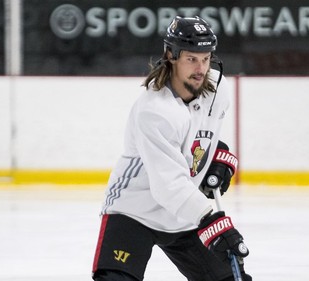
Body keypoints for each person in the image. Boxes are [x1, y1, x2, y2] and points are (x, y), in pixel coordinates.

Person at [92, 16, 252, 281]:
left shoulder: (217, 89)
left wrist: (217, 156)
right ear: (171, 55)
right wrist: (212, 223)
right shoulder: (154, 110)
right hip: (135, 211)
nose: (201, 68)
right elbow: (169, 185)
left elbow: (201, 138)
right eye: (191, 59)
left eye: (206, 58)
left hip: (185, 215)